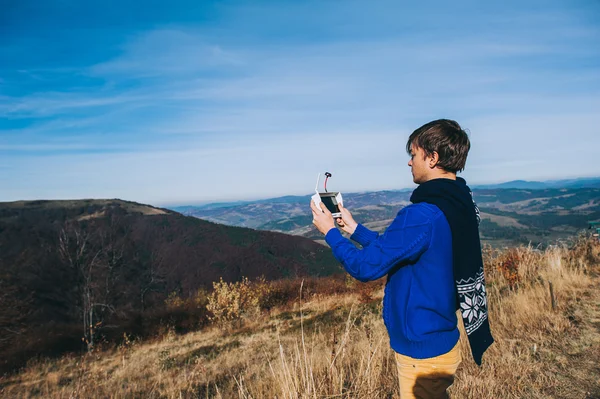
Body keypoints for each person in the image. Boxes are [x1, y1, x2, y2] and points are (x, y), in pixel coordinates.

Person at [310, 119, 494, 399]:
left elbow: (365, 266)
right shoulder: (458, 203)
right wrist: (355, 230)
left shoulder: (422, 215)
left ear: (432, 158)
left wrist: (330, 233)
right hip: (441, 339)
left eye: (414, 154)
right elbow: (402, 248)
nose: (410, 162)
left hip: (422, 353)